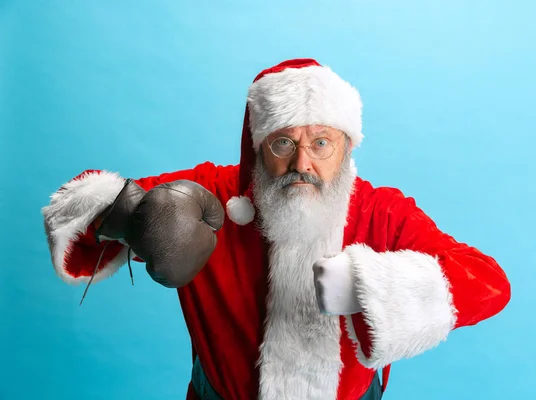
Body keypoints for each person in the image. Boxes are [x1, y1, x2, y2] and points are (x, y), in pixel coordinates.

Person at [41, 58, 511, 400]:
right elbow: (73, 208)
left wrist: (372, 288)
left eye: (321, 143)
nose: (301, 163)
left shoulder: (379, 210)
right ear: (258, 144)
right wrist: (136, 218)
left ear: (346, 148)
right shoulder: (213, 193)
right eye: (284, 142)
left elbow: (489, 282)